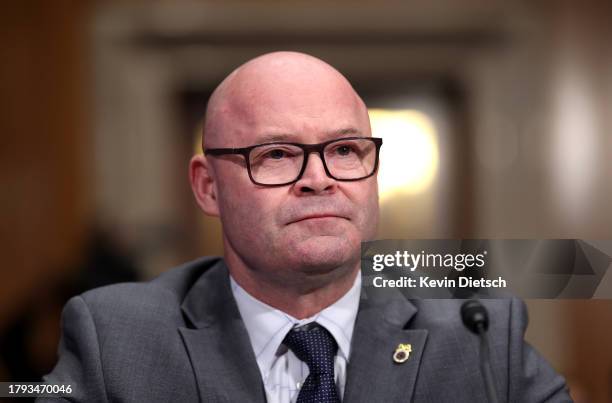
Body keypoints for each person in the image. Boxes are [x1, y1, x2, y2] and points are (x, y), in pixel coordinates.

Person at [41, 52, 571, 402]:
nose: (318, 180)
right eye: (276, 155)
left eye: (344, 150)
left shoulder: (478, 335)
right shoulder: (115, 338)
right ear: (207, 188)